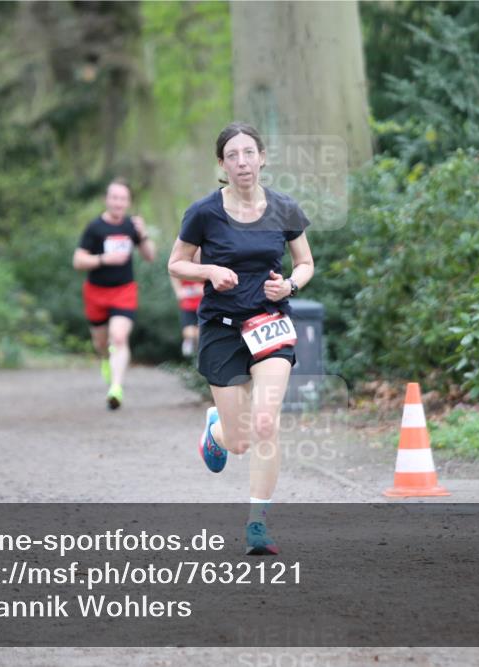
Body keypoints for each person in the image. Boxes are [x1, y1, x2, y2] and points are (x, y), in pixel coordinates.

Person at [167, 122, 314, 556]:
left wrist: (289, 286)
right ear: (222, 164)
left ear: (263, 157)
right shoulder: (204, 213)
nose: (242, 162)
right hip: (222, 329)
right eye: (232, 155)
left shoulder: (284, 208)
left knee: (266, 422)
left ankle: (257, 524)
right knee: (240, 442)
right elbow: (177, 263)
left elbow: (304, 263)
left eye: (249, 152)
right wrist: (208, 270)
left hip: (269, 323)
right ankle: (217, 428)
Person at [73, 179, 156, 409]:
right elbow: (78, 260)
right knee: (101, 343)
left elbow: (150, 256)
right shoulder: (95, 228)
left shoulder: (132, 226)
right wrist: (103, 259)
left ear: (128, 202)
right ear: (106, 200)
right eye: (114, 198)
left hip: (124, 290)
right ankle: (105, 359)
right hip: (96, 292)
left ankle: (116, 388)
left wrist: (145, 234)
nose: (118, 203)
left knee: (118, 337)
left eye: (123, 199)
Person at [170, 248, 203, 357]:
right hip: (188, 305)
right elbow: (174, 276)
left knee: (200, 333)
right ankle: (190, 346)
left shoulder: (206, 265)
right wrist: (179, 291)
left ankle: (198, 356)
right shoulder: (182, 265)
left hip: (202, 306)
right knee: (189, 332)